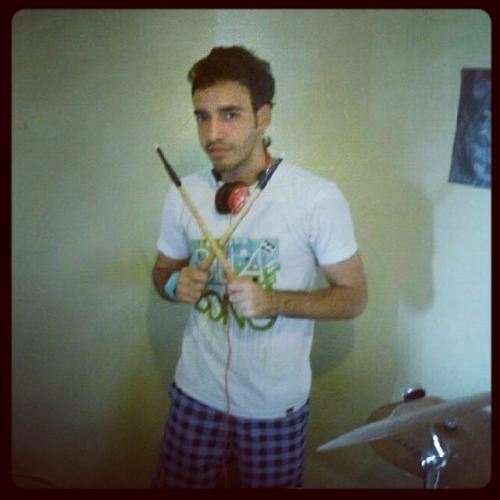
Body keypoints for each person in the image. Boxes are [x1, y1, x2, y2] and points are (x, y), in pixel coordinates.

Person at [151, 46, 367, 489]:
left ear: (263, 117)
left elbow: (353, 298)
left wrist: (273, 302)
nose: (212, 133)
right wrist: (174, 285)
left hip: (274, 410)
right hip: (195, 396)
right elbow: (161, 272)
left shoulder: (317, 198)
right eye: (202, 117)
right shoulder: (182, 194)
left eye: (230, 115)